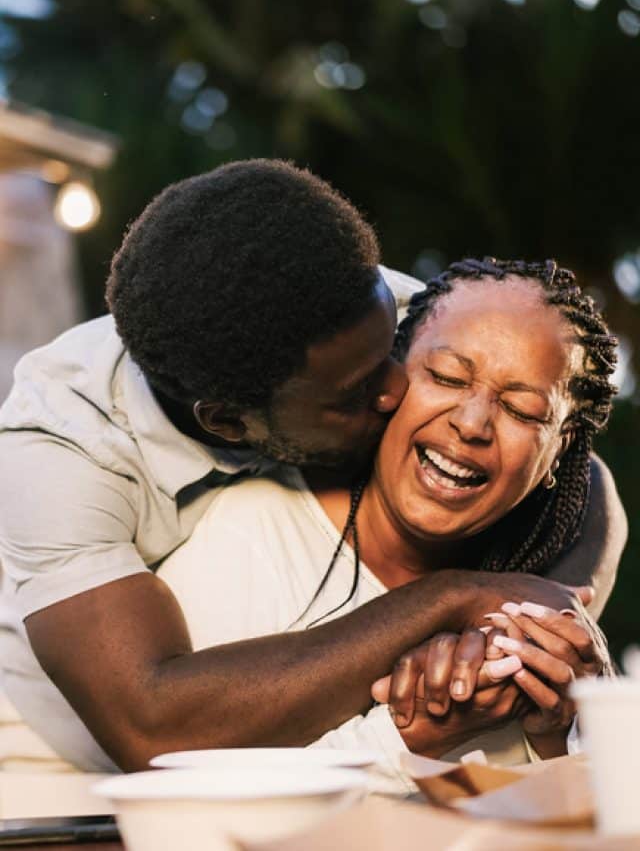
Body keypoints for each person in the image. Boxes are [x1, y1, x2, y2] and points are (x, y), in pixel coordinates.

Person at [0, 159, 624, 773]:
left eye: (396, 355)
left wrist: (539, 620)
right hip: (47, 761)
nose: (394, 391)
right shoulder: (58, 451)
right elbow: (152, 726)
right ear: (230, 424)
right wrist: (452, 597)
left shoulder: (356, 309)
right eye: (355, 394)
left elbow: (573, 462)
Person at [156, 257, 618, 780]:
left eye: (521, 411)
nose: (472, 424)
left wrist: (560, 736)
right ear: (387, 379)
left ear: (558, 454)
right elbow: (176, 797)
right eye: (446, 376)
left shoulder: (530, 619)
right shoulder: (249, 537)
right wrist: (411, 738)